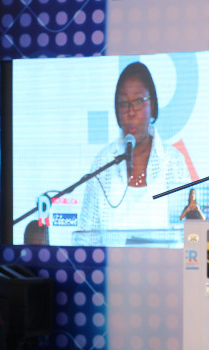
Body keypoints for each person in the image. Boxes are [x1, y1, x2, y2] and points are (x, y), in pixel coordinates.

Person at [77, 62, 188, 244]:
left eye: (138, 101)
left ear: (152, 105)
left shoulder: (173, 162)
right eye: (123, 103)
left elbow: (187, 235)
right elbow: (86, 237)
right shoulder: (103, 162)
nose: (130, 112)